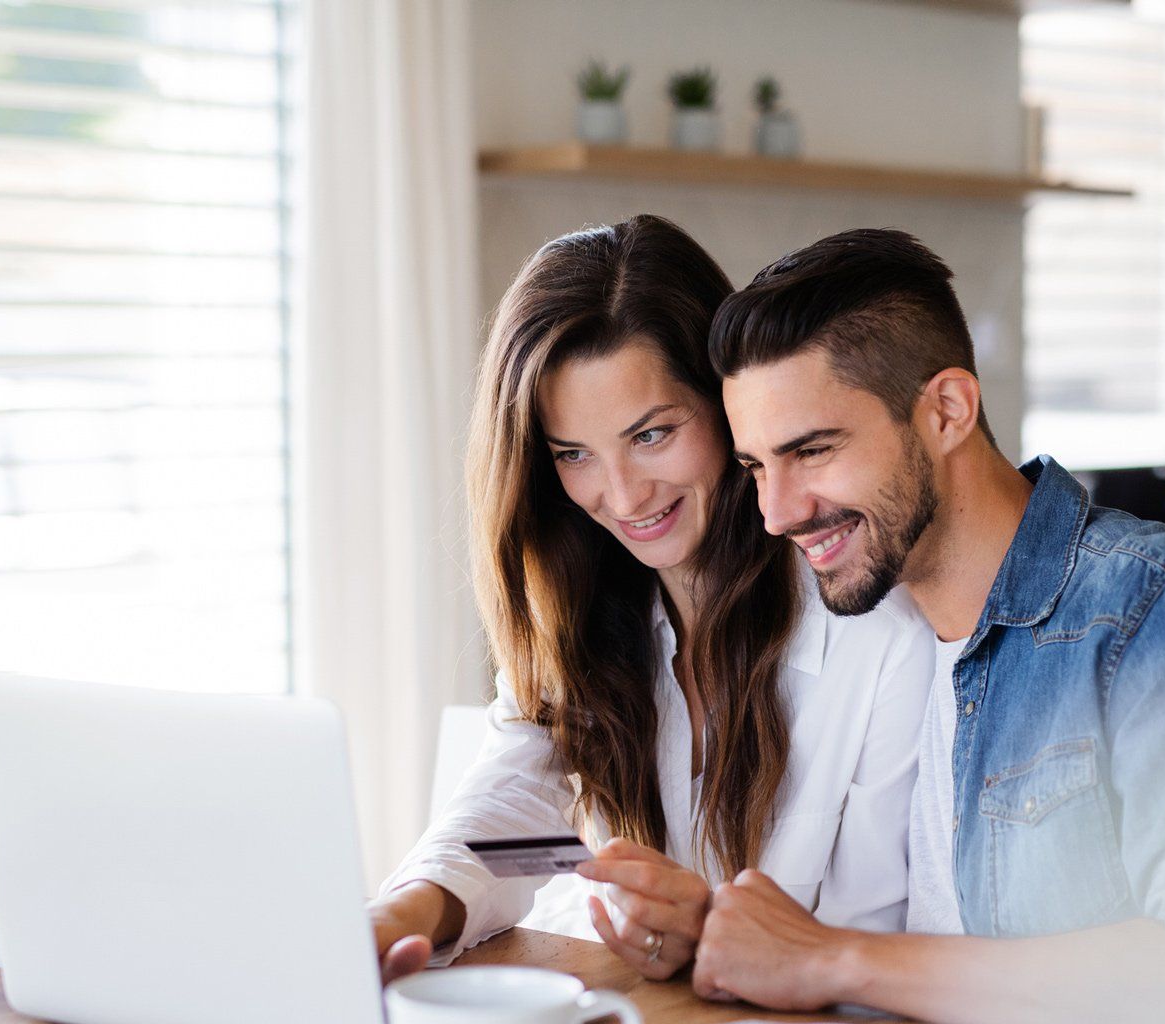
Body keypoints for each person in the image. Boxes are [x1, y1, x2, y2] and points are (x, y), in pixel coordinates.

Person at [695, 228, 1165, 1024]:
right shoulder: (870, 632)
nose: (777, 512)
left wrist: (834, 959)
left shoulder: (1164, 610)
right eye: (756, 466)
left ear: (947, 411)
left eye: (813, 450)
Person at [367, 216, 935, 984]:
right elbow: (512, 811)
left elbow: (875, 953)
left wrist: (711, 937)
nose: (624, 496)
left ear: (728, 407)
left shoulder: (880, 637)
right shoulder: (587, 617)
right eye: (574, 454)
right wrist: (399, 914)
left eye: (653, 434)